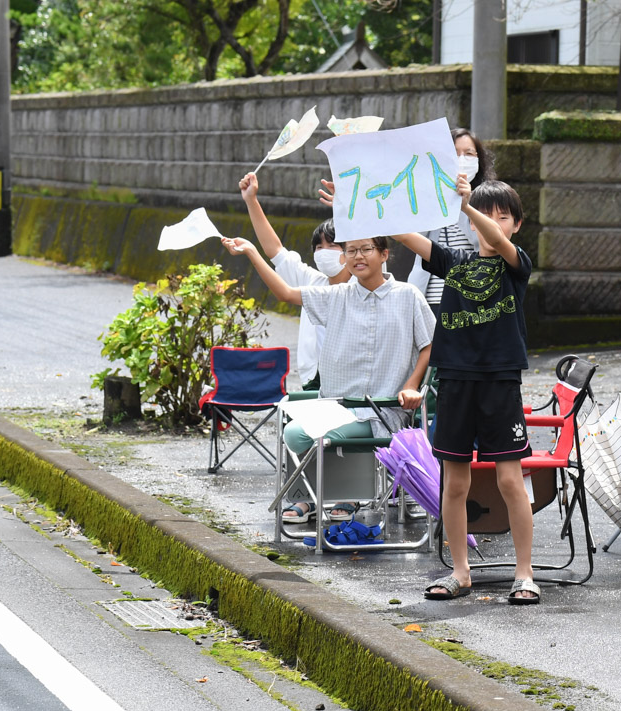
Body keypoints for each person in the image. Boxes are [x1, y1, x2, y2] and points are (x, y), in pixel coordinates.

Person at [392, 178, 539, 605]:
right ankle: (460, 572)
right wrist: (357, 206)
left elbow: (493, 237)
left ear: (517, 224)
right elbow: (405, 234)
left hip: (499, 382)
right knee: (454, 485)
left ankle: (525, 574)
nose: (493, 224)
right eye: (484, 215)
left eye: (503, 216)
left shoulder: (517, 263)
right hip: (454, 381)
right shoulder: (454, 262)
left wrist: (467, 204)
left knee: (511, 481)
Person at [220, 233, 434, 519]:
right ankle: (318, 497)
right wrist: (251, 252)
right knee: (296, 435)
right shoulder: (336, 295)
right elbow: (285, 293)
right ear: (343, 258)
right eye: (350, 251)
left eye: (366, 249)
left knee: (322, 436)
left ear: (383, 254)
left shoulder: (408, 296)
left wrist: (411, 385)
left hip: (382, 412)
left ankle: (343, 496)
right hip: (334, 407)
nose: (358, 256)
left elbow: (430, 344)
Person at [239, 172, 355, 523]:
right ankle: (303, 498)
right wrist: (252, 201)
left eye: (333, 246)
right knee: (300, 432)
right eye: (318, 247)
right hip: (312, 377)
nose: (324, 253)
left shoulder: (364, 289)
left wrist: (348, 205)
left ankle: (348, 497)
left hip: (349, 379)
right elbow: (275, 249)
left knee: (342, 440)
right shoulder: (311, 281)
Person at [406, 128, 496, 317]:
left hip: (469, 300)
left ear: (479, 160)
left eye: (469, 154)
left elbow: (487, 244)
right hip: (430, 299)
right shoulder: (427, 198)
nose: (462, 159)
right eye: (455, 153)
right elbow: (412, 237)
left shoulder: (488, 199)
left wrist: (464, 204)